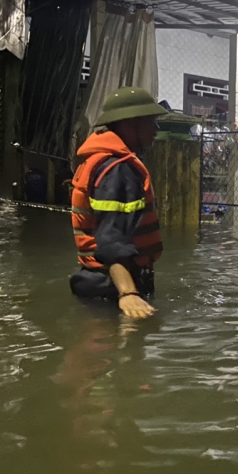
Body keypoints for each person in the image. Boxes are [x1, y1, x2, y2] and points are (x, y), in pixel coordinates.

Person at [70, 87, 167, 319]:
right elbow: (111, 238)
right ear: (128, 125)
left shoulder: (100, 160)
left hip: (97, 281)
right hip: (112, 286)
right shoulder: (119, 169)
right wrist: (128, 293)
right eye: (150, 122)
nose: (156, 129)